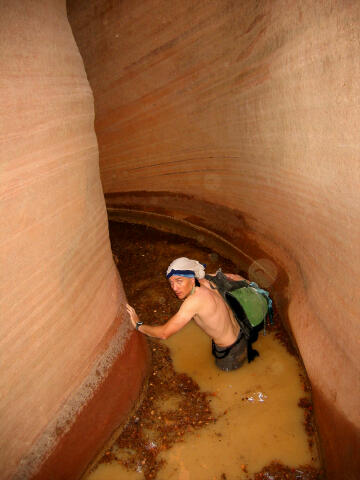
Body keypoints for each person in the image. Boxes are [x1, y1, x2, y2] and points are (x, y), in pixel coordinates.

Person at [126, 257, 252, 371]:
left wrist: (139, 325)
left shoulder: (194, 301)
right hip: (241, 332)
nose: (174, 288)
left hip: (229, 350)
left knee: (227, 377)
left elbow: (165, 333)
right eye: (171, 282)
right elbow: (234, 277)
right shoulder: (207, 280)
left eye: (179, 281)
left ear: (192, 279)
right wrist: (252, 286)